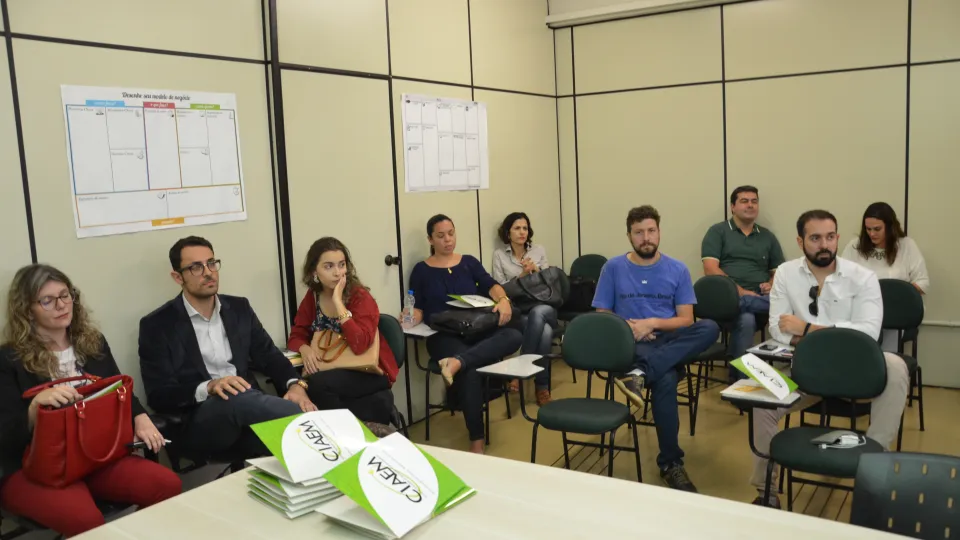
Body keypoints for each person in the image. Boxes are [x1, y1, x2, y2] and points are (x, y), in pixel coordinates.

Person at [0, 264, 181, 537]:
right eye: (47, 300)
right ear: (27, 310)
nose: (61, 305)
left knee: (166, 484)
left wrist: (140, 416)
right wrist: (35, 407)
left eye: (65, 295)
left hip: (96, 454)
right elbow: (5, 434)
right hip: (36, 466)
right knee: (85, 520)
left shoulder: (92, 343)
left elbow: (119, 388)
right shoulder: (8, 359)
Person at [752, 210, 910, 508]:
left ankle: (873, 468)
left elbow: (867, 334)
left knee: (895, 365)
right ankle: (767, 493)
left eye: (830, 237)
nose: (824, 244)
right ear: (801, 241)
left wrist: (807, 329)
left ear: (837, 237)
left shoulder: (862, 278)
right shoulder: (786, 273)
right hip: (804, 371)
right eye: (815, 238)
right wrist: (820, 336)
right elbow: (777, 327)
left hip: (856, 371)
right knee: (762, 397)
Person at [139, 236, 316, 463]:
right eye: (196, 267)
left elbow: (269, 355)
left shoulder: (239, 308)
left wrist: (296, 385)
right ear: (177, 277)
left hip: (250, 413)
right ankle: (320, 427)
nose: (208, 272)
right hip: (200, 424)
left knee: (294, 443)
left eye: (211, 263)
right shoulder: (157, 325)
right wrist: (210, 387)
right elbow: (158, 394)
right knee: (238, 397)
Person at [595, 206, 720, 492]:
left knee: (709, 327)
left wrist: (652, 323)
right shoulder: (612, 268)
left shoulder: (677, 269)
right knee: (665, 378)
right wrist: (631, 327)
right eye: (639, 233)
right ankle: (671, 465)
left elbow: (686, 319)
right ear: (629, 236)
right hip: (628, 342)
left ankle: (640, 373)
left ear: (660, 232)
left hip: (666, 339)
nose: (646, 238)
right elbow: (602, 315)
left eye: (651, 231)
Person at [408, 214, 522, 454]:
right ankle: (477, 441)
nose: (448, 240)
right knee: (469, 369)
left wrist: (502, 300)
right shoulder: (421, 270)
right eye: (440, 236)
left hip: (476, 329)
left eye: (451, 233)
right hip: (444, 335)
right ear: (430, 239)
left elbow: (491, 284)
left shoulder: (468, 262)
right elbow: (416, 308)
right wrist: (408, 317)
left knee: (514, 336)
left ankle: (457, 363)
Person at [287, 237, 399, 436]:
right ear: (314, 272)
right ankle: (361, 430)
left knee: (316, 384)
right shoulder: (313, 297)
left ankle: (343, 436)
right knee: (313, 386)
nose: (337, 272)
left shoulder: (359, 296)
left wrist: (339, 304)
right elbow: (297, 334)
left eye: (341, 265)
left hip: (369, 371)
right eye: (328, 266)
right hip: (333, 369)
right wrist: (304, 349)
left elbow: (360, 344)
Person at [701, 186, 785, 378]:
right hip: (725, 301)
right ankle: (783, 307)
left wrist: (772, 283)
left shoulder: (767, 236)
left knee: (747, 318)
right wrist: (740, 292)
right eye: (744, 201)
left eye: (754, 201)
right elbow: (710, 269)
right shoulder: (718, 232)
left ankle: (739, 383)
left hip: (758, 304)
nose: (750, 205)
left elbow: (779, 272)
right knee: (748, 307)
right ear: (732, 207)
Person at [841, 202, 929, 351]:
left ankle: (883, 365)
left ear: (890, 227)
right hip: (861, 314)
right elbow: (841, 279)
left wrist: (893, 296)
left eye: (877, 229)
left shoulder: (906, 246)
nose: (872, 234)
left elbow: (922, 282)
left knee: (884, 357)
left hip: (894, 316)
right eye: (868, 229)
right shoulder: (854, 246)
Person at [491, 211, 554, 405]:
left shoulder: (539, 250)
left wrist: (536, 271)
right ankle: (542, 388)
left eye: (525, 228)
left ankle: (519, 372)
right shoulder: (500, 255)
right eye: (517, 228)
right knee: (545, 333)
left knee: (539, 313)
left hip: (544, 305)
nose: (522, 232)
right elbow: (499, 289)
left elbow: (549, 283)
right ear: (508, 232)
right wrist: (521, 276)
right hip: (518, 308)